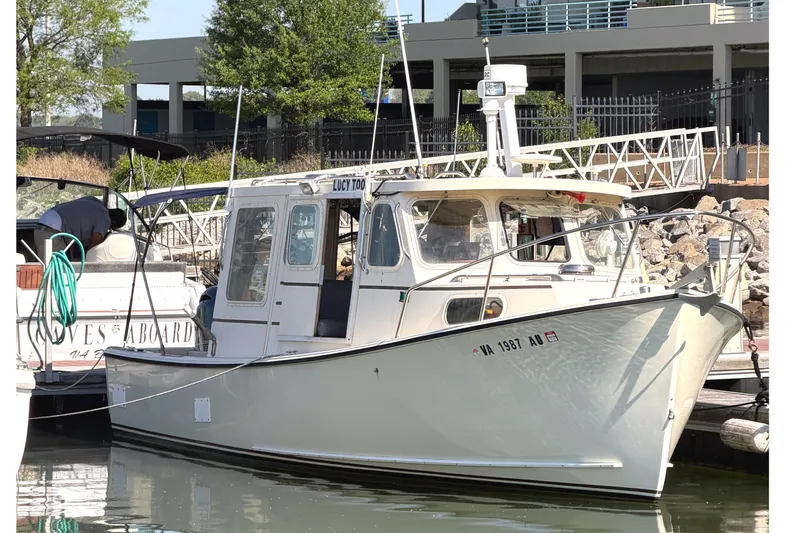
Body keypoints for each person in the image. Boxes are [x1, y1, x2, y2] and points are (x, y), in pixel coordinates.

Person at [35, 197, 127, 260]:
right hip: (52, 230)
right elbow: (94, 249)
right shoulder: (105, 218)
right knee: (57, 270)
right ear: (113, 223)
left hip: (46, 223)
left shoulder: (94, 201)